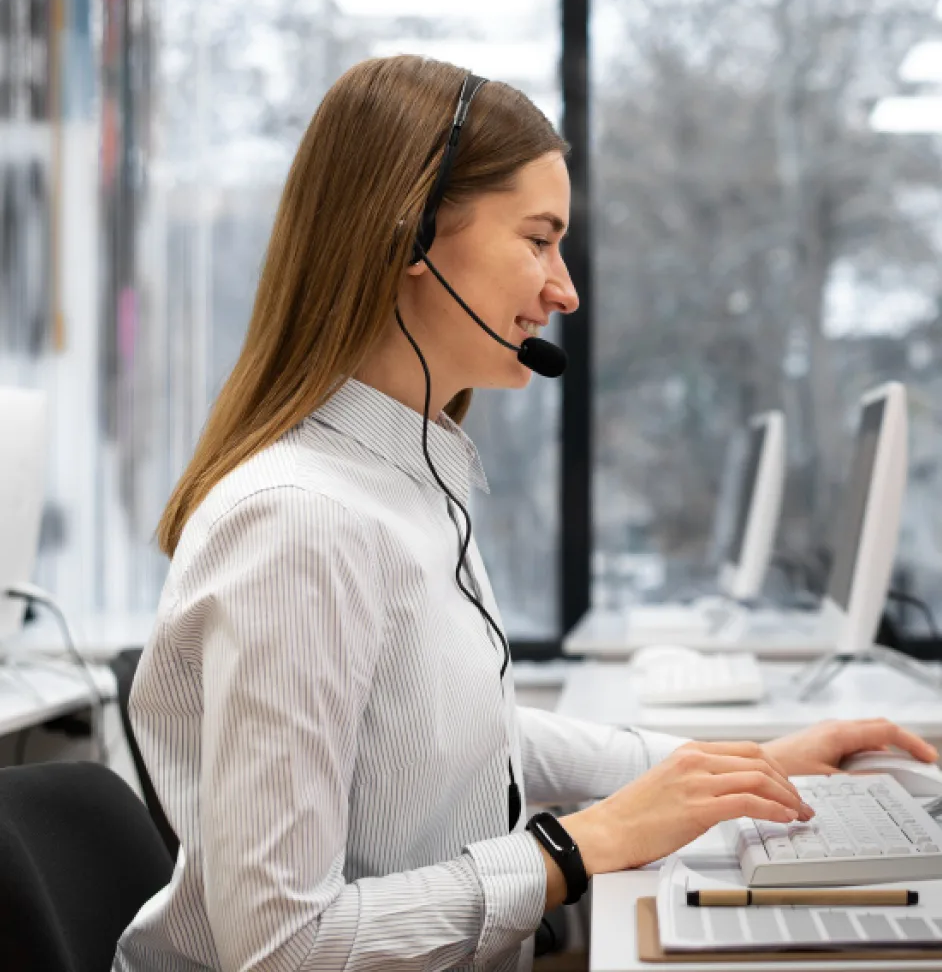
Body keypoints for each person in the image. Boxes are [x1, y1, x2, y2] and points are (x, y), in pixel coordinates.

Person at [112, 55, 938, 972]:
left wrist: (729, 764)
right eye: (539, 240)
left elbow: (466, 733)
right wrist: (574, 849)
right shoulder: (301, 525)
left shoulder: (410, 479)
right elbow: (285, 947)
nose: (565, 290)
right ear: (415, 233)